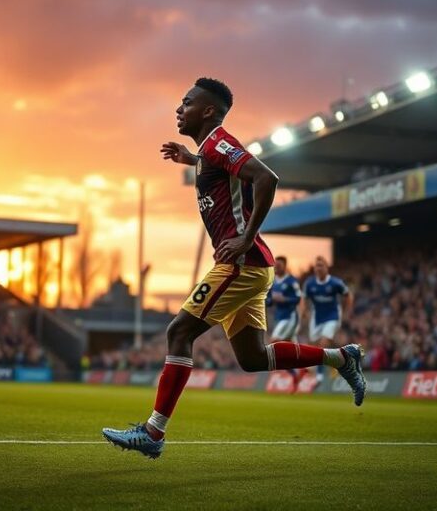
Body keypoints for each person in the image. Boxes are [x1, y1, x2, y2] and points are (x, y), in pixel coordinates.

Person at [101, 78, 366, 459]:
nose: (179, 109)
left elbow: (266, 178)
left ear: (208, 111)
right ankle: (341, 357)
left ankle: (154, 432)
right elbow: (222, 171)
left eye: (187, 102)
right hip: (252, 265)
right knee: (252, 358)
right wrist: (192, 161)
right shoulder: (209, 151)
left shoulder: (219, 142)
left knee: (179, 331)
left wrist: (245, 237)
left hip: (240, 263)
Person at [300, 256, 353, 385]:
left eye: (321, 265)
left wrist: (347, 312)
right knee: (314, 344)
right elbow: (303, 299)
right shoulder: (310, 283)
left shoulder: (335, 283)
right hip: (317, 318)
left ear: (327, 268)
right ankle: (340, 359)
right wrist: (304, 311)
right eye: (317, 266)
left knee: (323, 343)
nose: (319, 268)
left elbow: (348, 295)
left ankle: (319, 375)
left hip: (332, 316)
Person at [266, 255, 303, 390]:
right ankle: (300, 372)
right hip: (279, 318)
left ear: (285, 266)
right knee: (294, 351)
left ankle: (293, 372)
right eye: (275, 265)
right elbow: (269, 301)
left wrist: (284, 299)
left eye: (279, 265)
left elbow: (298, 298)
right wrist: (271, 300)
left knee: (274, 342)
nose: (276, 267)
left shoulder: (292, 281)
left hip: (290, 317)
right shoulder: (273, 281)